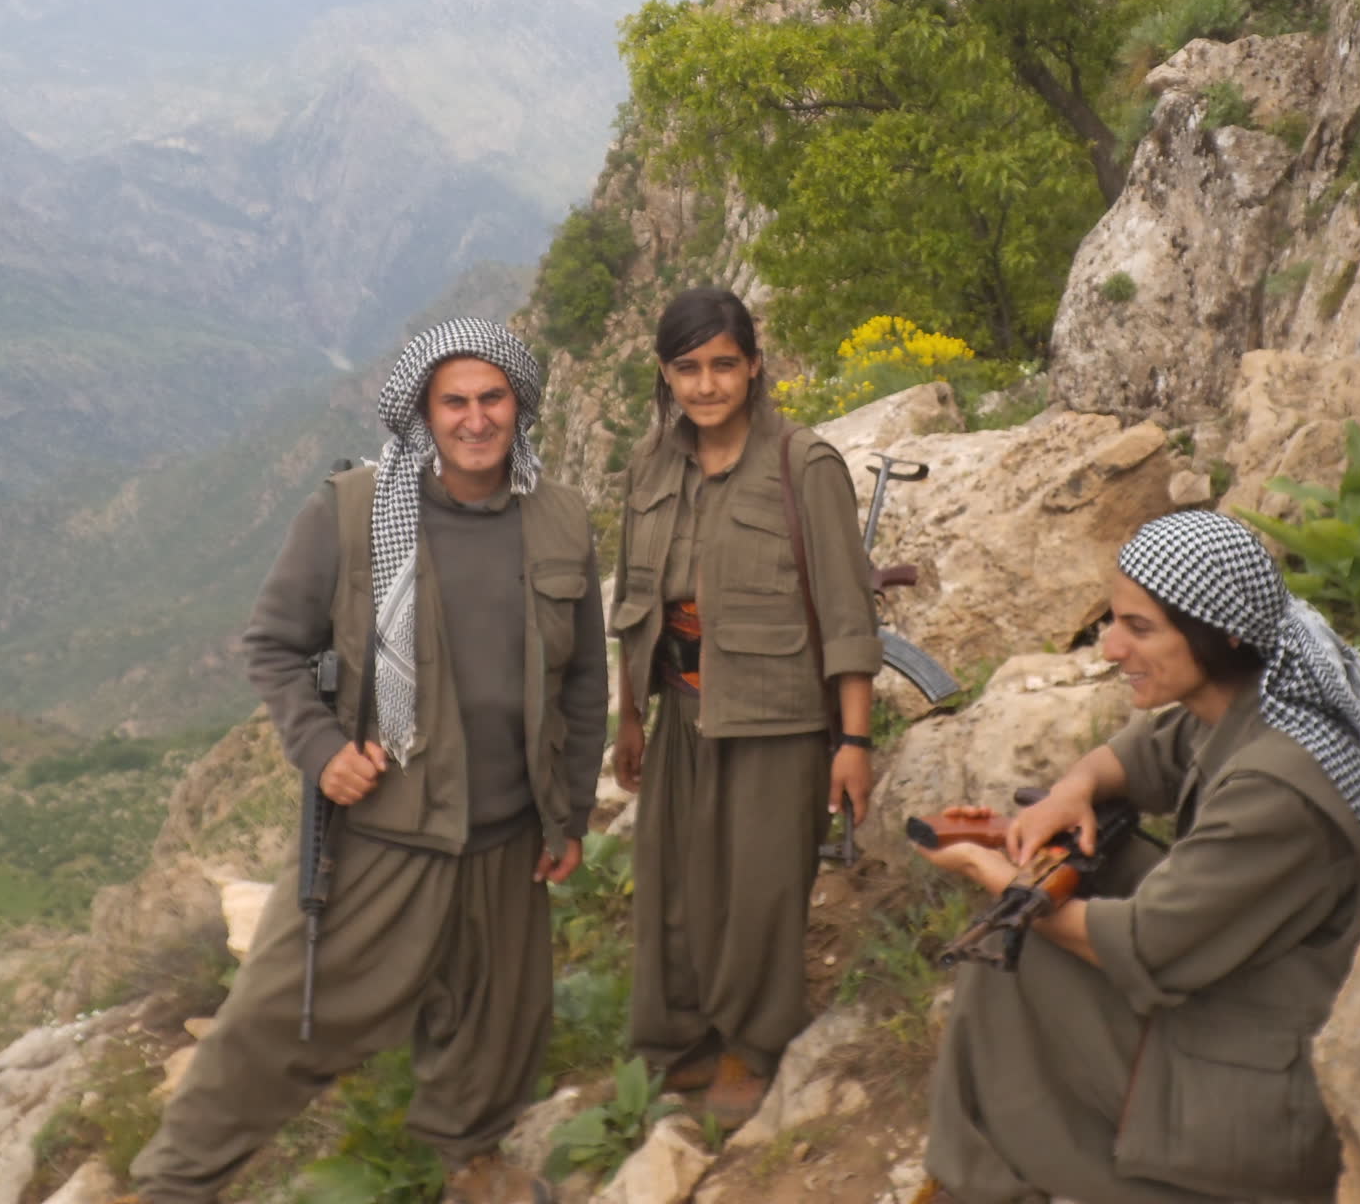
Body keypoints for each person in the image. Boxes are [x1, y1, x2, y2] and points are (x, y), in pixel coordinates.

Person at [124, 319, 608, 1204]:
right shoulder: (352, 510)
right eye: (454, 402)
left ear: (520, 404)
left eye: (492, 398)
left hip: (508, 832)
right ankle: (170, 1188)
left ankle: (473, 1166)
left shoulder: (559, 517)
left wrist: (570, 813)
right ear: (424, 411)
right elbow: (273, 647)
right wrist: (321, 752)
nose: (475, 419)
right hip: (386, 829)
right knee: (282, 1018)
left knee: (497, 1021)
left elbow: (582, 683)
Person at [915, 509, 1360, 1204]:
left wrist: (993, 875)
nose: (1111, 648)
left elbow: (1146, 944)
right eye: (1112, 621)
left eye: (1140, 628)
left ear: (1220, 633)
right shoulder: (1249, 706)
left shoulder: (1279, 788)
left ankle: (997, 1182)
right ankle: (981, 1175)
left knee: (1009, 954)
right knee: (1060, 901)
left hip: (1275, 1096)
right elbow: (1143, 754)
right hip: (1259, 1007)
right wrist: (1072, 791)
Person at [608, 287, 882, 1129]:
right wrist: (630, 716)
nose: (707, 385)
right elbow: (634, 601)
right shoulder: (650, 468)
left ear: (754, 367)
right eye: (688, 368)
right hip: (682, 710)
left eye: (724, 364)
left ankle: (752, 1046)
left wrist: (854, 740)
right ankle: (681, 1037)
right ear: (666, 374)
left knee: (760, 887)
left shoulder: (804, 466)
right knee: (675, 883)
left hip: (777, 716)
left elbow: (847, 614)